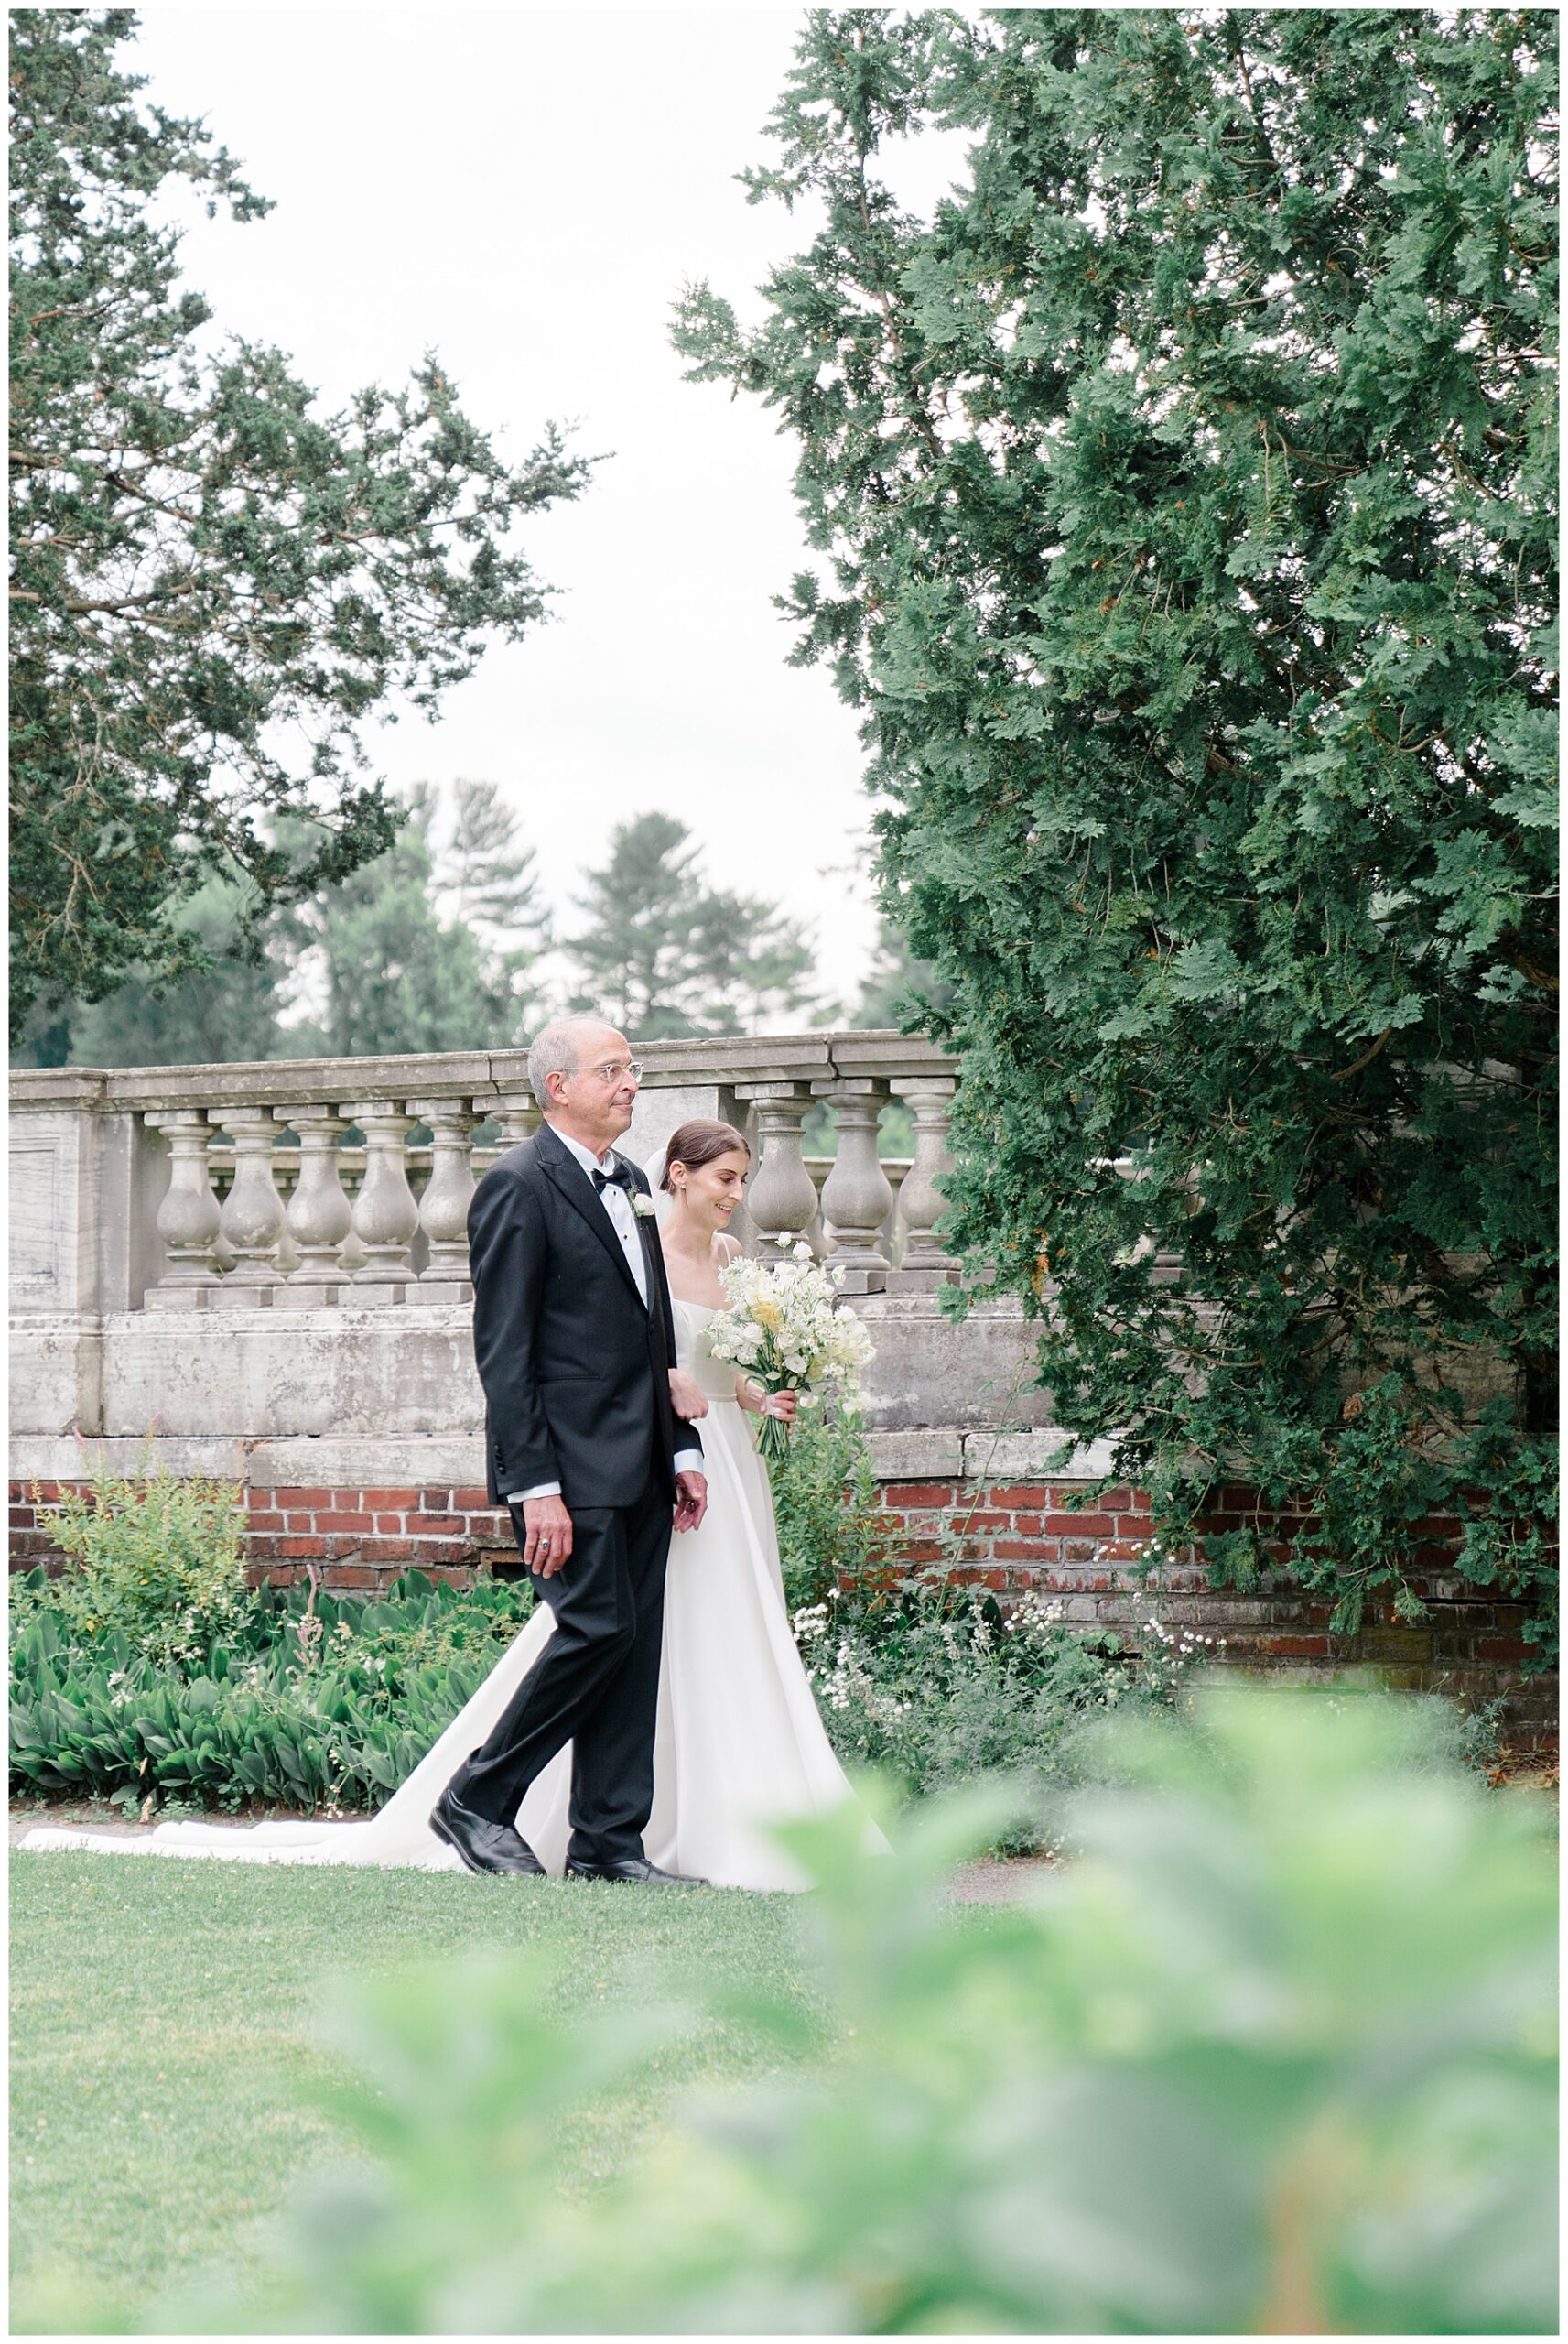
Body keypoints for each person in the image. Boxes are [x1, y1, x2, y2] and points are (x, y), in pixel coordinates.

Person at [20, 1036, 876, 1889]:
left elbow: (656, 1337)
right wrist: (533, 1485)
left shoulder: (635, 1188)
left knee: (634, 1647)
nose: (629, 1083)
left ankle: (608, 1842)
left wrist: (683, 1447)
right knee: (597, 1629)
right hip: (570, 1467)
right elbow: (505, 1352)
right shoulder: (517, 1186)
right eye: (611, 1071)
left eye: (630, 1070)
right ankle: (477, 1797)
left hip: (649, 1457)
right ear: (558, 1085)